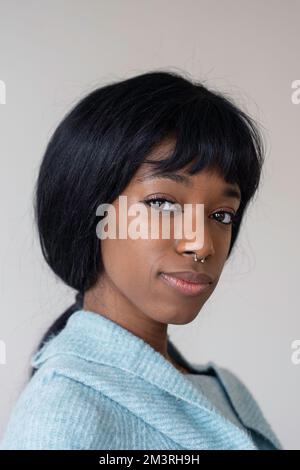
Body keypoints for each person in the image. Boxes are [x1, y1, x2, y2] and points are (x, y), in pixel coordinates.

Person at [0, 70, 282, 450]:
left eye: (222, 215)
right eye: (162, 203)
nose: (201, 245)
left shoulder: (227, 390)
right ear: (91, 211)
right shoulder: (62, 413)